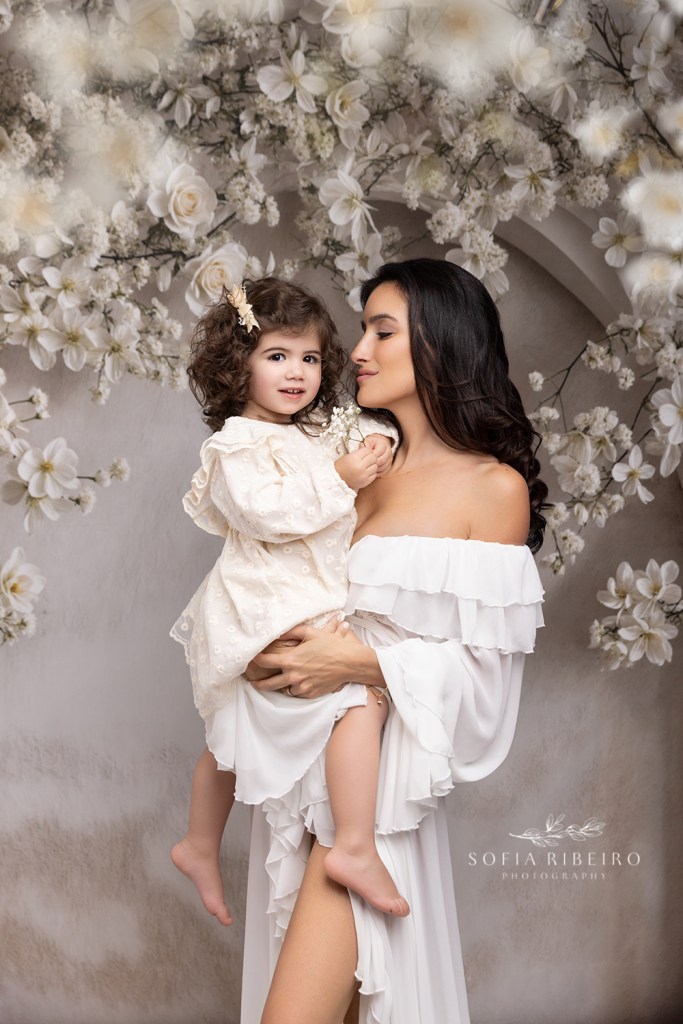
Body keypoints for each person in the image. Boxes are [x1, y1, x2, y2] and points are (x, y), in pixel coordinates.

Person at [241, 258, 548, 1024]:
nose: (356, 351)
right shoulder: (351, 474)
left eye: (383, 331)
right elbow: (268, 594)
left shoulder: (493, 490)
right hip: (296, 781)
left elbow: (484, 696)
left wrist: (359, 661)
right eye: (363, 329)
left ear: (441, 347)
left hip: (379, 805)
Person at [170, 276, 411, 931]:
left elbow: (357, 428)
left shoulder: (313, 434)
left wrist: (376, 441)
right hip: (264, 603)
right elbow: (265, 513)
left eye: (308, 358)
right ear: (235, 365)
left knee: (232, 731)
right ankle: (352, 847)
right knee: (355, 701)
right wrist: (340, 478)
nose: (296, 372)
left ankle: (197, 844)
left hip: (302, 597)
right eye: (276, 356)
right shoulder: (233, 448)